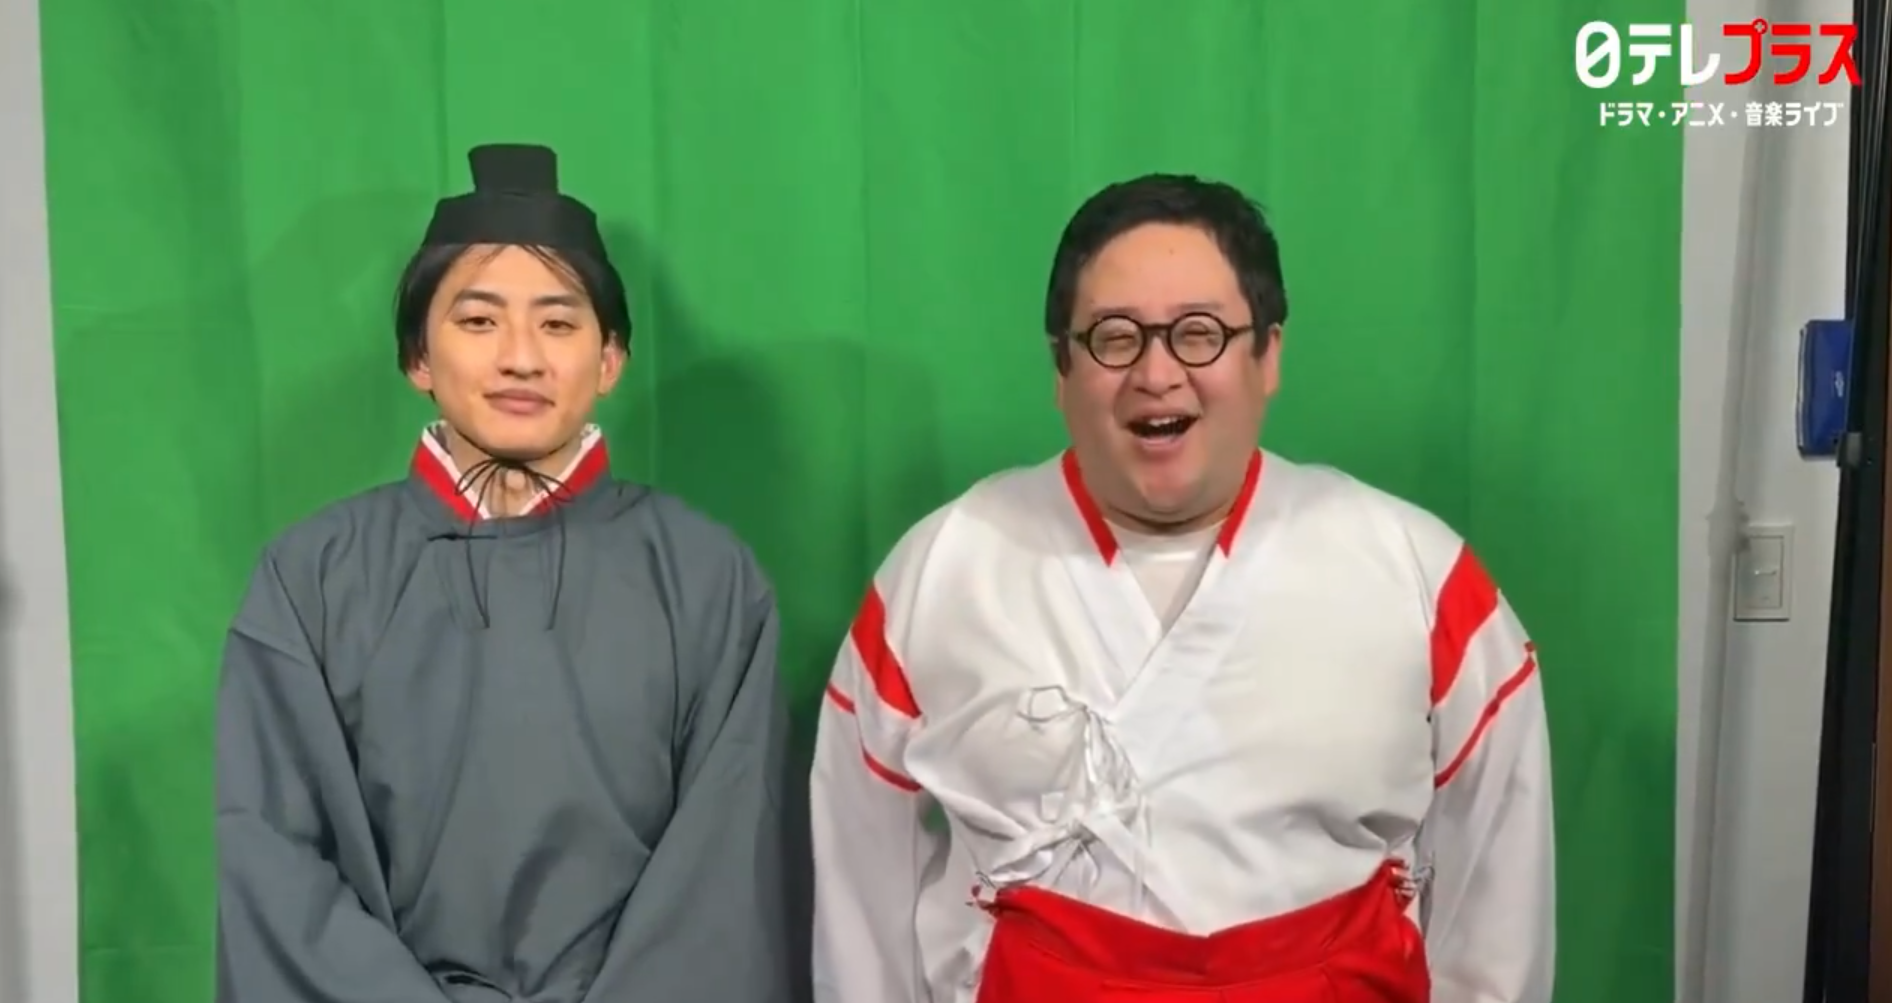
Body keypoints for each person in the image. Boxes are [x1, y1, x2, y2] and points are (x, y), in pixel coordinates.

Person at [808, 174, 1554, 1003]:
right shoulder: (944, 570)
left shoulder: (1418, 573)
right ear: (1061, 366)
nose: (1157, 372)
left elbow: (1498, 898)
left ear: (1268, 353)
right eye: (1115, 337)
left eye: (1199, 333)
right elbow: (861, 883)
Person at [214, 144, 794, 1003]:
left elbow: (725, 876)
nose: (521, 357)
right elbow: (275, 866)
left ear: (610, 359)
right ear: (417, 356)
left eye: (558, 324)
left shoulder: (709, 579)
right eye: (479, 321)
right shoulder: (311, 579)